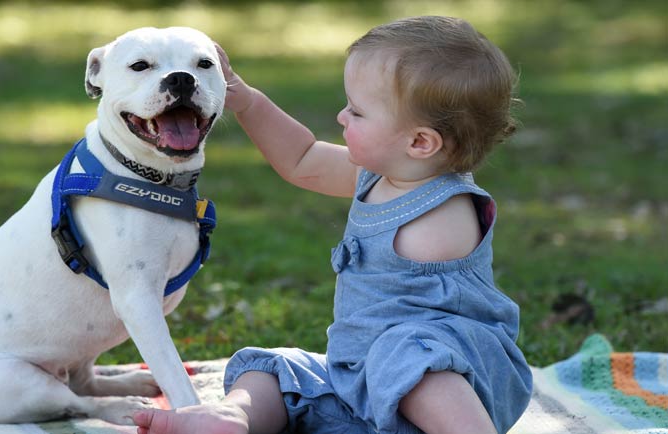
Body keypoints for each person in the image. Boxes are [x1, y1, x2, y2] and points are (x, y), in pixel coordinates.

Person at [134, 15, 533, 434]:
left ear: (419, 143)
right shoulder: (382, 174)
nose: (342, 117)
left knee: (409, 355)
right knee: (275, 370)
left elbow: (438, 327)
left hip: (454, 379)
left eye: (357, 112)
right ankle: (235, 417)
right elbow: (302, 159)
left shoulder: (446, 213)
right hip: (357, 381)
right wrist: (247, 100)